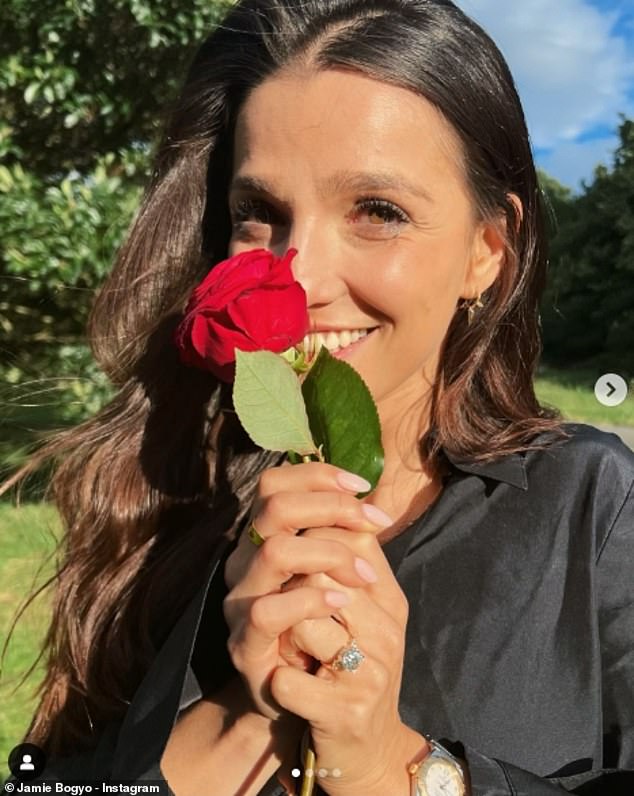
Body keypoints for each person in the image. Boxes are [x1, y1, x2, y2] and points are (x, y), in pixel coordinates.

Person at [6, 0, 634, 794]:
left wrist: (386, 768)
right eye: (259, 214)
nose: (296, 276)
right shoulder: (170, 504)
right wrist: (240, 719)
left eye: (378, 212)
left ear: (487, 254)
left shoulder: (593, 509)